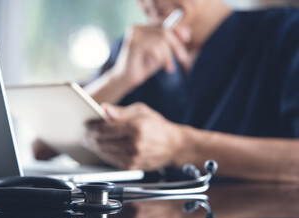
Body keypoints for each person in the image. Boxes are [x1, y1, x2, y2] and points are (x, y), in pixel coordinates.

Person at [35, 0, 299, 182]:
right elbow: (41, 146)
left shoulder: (286, 34)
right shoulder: (131, 50)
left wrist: (180, 147)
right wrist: (119, 79)